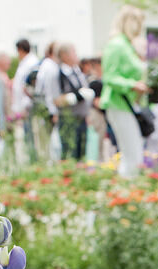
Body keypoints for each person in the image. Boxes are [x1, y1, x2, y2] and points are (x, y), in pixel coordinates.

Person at [100, 5, 147, 177]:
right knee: (131, 153)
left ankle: (130, 187)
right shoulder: (117, 45)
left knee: (134, 152)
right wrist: (133, 85)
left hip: (126, 104)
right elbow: (109, 77)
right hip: (117, 103)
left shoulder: (125, 44)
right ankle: (128, 190)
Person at [54, 43, 93, 160]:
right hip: (69, 119)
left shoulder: (76, 71)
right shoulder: (58, 73)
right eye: (73, 52)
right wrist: (76, 96)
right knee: (70, 153)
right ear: (64, 55)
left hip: (81, 118)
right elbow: (56, 99)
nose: (76, 55)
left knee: (82, 153)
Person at [12, 38, 40, 161]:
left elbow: (30, 87)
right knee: (28, 133)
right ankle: (32, 156)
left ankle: (33, 158)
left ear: (20, 50)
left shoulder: (31, 63)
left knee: (31, 133)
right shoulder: (26, 62)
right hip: (25, 105)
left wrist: (25, 105)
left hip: (29, 105)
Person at [36, 42, 62, 161]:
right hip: (49, 108)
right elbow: (50, 92)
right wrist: (54, 112)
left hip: (44, 106)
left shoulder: (46, 65)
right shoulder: (51, 67)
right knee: (52, 140)